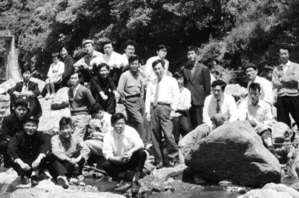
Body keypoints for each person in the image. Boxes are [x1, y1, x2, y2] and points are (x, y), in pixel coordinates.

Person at [145, 59, 180, 168]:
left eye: (159, 68)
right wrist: (147, 112)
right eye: (155, 69)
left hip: (166, 108)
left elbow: (176, 95)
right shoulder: (152, 81)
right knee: (154, 134)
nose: (157, 71)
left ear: (164, 68)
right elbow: (147, 97)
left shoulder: (171, 80)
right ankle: (158, 160)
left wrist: (173, 109)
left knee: (168, 133)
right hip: (154, 107)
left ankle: (173, 156)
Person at [102, 113, 146, 195]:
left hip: (131, 159)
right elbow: (107, 154)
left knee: (142, 153)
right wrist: (118, 158)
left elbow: (140, 144)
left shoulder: (130, 131)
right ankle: (120, 178)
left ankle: (135, 180)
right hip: (119, 161)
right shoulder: (108, 135)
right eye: (118, 124)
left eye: (122, 123)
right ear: (112, 125)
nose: (120, 126)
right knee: (105, 164)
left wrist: (130, 152)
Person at [7, 116, 51, 186]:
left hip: (36, 161)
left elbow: (47, 144)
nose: (30, 128)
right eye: (28, 125)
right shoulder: (18, 136)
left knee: (47, 152)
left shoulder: (41, 135)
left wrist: (38, 160)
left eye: (33, 126)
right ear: (24, 126)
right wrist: (21, 163)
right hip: (24, 162)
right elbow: (11, 149)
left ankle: (35, 173)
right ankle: (23, 174)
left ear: (37, 127)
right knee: (11, 155)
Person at [49, 117, 90, 188]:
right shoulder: (55, 138)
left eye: (67, 128)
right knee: (52, 155)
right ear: (60, 130)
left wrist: (77, 160)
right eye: (62, 128)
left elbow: (86, 149)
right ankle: (63, 177)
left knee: (81, 153)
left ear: (72, 129)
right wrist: (69, 160)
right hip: (60, 165)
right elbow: (56, 151)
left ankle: (74, 176)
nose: (65, 131)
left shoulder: (77, 138)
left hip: (73, 165)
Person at [117, 55, 146, 142]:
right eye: (132, 64)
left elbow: (142, 90)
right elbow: (120, 90)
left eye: (136, 64)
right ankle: (142, 142)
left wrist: (141, 99)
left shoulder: (140, 75)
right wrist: (125, 101)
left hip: (140, 100)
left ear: (138, 65)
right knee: (140, 121)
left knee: (142, 121)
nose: (134, 66)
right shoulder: (125, 75)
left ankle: (137, 141)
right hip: (130, 100)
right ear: (129, 65)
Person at [238, 82, 274, 150]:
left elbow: (269, 122)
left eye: (255, 94)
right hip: (247, 129)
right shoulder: (243, 104)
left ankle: (272, 151)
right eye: (251, 93)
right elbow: (241, 118)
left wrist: (257, 124)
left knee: (268, 141)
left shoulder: (266, 105)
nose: (252, 96)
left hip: (262, 129)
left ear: (259, 94)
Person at [181, 46, 211, 127]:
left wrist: (206, 101)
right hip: (188, 101)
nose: (190, 56)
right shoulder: (184, 69)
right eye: (188, 54)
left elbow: (207, 88)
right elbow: (183, 84)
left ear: (196, 54)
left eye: (192, 53)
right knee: (190, 124)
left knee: (200, 123)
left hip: (200, 99)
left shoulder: (204, 68)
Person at [272, 47, 299, 128]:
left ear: (289, 54)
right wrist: (288, 82)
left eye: (285, 54)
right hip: (281, 97)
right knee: (282, 122)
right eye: (281, 54)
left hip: (294, 95)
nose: (283, 56)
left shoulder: (295, 66)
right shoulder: (276, 69)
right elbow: (274, 83)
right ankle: (286, 138)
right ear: (279, 55)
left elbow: (295, 78)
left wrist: (281, 79)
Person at [0, 99, 28, 168]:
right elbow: (4, 134)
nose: (21, 112)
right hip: (11, 140)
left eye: (24, 110)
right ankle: (7, 160)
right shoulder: (8, 119)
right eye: (19, 109)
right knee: (3, 144)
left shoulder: (28, 118)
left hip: (24, 140)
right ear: (15, 109)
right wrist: (14, 141)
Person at [68, 71, 96, 139]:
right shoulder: (69, 90)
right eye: (71, 78)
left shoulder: (84, 90)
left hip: (82, 115)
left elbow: (93, 103)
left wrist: (88, 115)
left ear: (79, 79)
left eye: (75, 78)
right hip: (73, 116)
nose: (73, 80)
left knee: (76, 136)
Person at [172, 71, 193, 143]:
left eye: (181, 79)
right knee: (175, 123)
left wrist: (176, 107)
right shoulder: (171, 91)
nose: (179, 81)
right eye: (177, 79)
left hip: (183, 113)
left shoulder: (187, 92)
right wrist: (175, 110)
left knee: (187, 129)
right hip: (172, 113)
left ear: (184, 79)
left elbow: (187, 106)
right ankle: (175, 141)